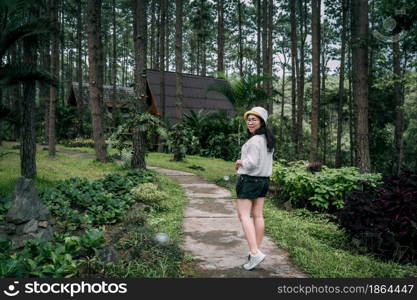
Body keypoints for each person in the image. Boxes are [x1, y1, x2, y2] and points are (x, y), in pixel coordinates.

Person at [235, 106, 275, 270]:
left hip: (250, 181)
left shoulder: (254, 141)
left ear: (262, 122)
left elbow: (252, 163)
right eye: (248, 119)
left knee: (244, 215)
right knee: (257, 215)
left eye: (254, 119)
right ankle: (255, 253)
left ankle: (254, 252)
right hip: (264, 180)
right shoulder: (267, 139)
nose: (250, 122)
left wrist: (239, 162)